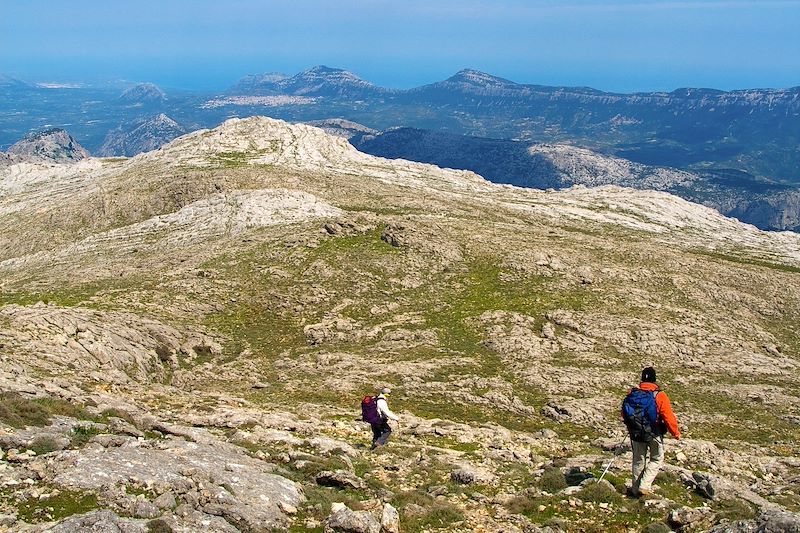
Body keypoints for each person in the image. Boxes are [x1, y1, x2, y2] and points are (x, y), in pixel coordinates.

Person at [623, 367, 681, 497]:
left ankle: (635, 489)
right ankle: (644, 486)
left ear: (642, 378)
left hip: (636, 433)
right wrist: (675, 433)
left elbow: (624, 413)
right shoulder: (659, 395)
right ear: (654, 379)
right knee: (656, 458)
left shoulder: (632, 394)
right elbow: (668, 416)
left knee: (638, 460)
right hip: (654, 433)